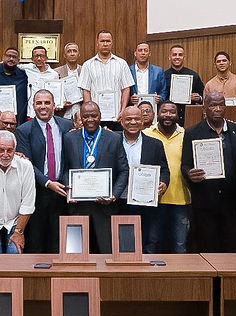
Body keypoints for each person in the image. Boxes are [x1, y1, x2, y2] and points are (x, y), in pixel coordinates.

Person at [182, 91, 236, 252]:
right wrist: (189, 174)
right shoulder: (192, 132)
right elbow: (185, 164)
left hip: (232, 203)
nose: (217, 109)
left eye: (221, 105)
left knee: (232, 248)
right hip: (205, 203)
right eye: (212, 105)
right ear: (205, 108)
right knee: (207, 248)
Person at [60, 101, 129, 254]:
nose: (90, 119)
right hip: (77, 205)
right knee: (75, 253)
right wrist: (69, 189)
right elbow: (65, 169)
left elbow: (124, 170)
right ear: (80, 118)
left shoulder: (114, 138)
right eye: (86, 116)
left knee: (106, 252)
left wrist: (114, 195)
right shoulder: (69, 138)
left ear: (100, 116)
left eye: (94, 116)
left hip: (105, 205)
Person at [15, 89, 73, 253]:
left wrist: (66, 183)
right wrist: (48, 183)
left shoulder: (67, 126)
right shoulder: (24, 130)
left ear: (54, 105)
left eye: (47, 102)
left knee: (59, 239)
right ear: (33, 106)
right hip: (37, 191)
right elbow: (27, 164)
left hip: (63, 190)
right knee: (37, 240)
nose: (43, 106)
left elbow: (71, 157)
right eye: (39, 103)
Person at [117, 105, 169, 251]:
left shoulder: (155, 144)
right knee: (121, 242)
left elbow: (165, 170)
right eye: (128, 119)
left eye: (136, 119)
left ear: (143, 121)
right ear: (121, 121)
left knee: (146, 241)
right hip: (118, 200)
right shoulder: (112, 141)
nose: (133, 122)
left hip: (145, 202)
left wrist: (164, 183)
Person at [145, 101, 190, 253]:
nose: (168, 115)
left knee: (180, 245)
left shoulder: (186, 134)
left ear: (178, 115)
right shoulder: (146, 134)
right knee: (152, 243)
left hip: (181, 197)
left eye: (172, 112)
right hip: (154, 198)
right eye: (164, 111)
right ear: (158, 114)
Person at [79, 30, 133, 128]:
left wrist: (123, 110)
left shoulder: (121, 63)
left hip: (117, 117)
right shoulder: (88, 65)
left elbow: (126, 88)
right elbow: (86, 90)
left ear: (112, 43)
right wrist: (89, 113)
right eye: (102, 41)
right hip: (95, 118)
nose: (105, 44)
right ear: (97, 43)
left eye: (108, 41)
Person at [163, 44, 204, 125]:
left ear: (184, 58)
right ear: (169, 57)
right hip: (169, 117)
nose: (177, 57)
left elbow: (203, 96)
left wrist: (198, 98)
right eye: (174, 55)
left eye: (180, 55)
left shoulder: (194, 75)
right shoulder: (163, 76)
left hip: (189, 116)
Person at [21, 46, 60, 119]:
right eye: (36, 56)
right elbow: (11, 64)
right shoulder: (27, 68)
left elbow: (57, 93)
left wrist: (59, 104)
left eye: (41, 56)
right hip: (31, 113)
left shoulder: (54, 74)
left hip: (48, 114)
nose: (39, 59)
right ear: (32, 59)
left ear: (46, 58)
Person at [54, 41, 83, 120]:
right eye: (69, 51)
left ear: (78, 54)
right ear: (64, 55)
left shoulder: (85, 71)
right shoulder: (56, 72)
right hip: (63, 114)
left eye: (75, 51)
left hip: (82, 114)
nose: (72, 53)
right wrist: (60, 103)